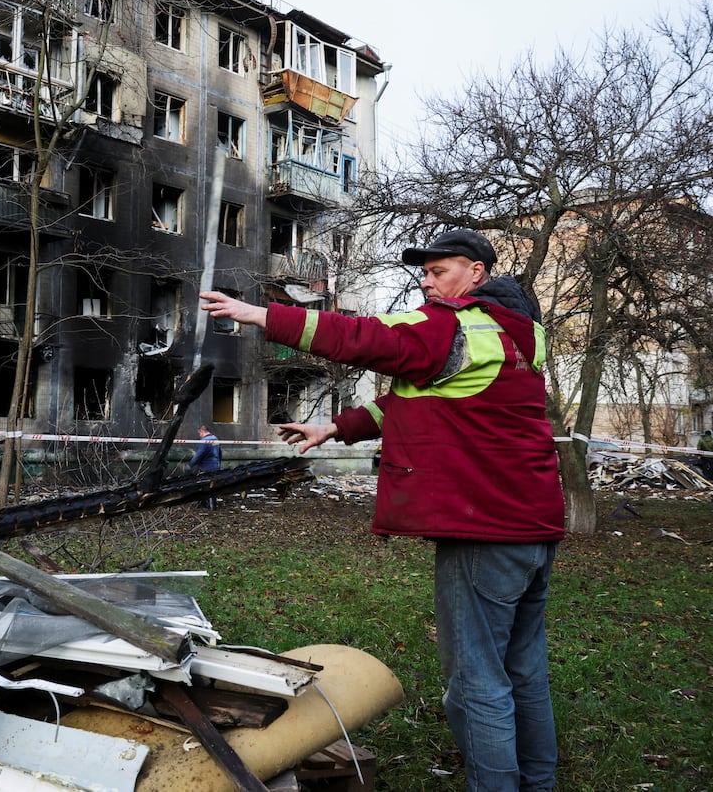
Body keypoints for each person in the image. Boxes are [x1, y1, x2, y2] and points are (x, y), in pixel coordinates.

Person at [201, 228, 565, 792]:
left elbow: (363, 337)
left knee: (476, 681)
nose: (427, 280)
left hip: (482, 530)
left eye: (439, 270)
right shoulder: (519, 334)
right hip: (534, 527)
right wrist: (336, 426)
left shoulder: (450, 325)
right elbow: (419, 397)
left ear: (477, 273)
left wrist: (261, 315)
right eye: (423, 272)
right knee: (524, 671)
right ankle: (538, 782)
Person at [187, 424, 221, 509]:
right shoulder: (215, 439)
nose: (200, 436)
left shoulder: (204, 441)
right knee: (212, 485)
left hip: (206, 466)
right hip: (215, 465)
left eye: (199, 434)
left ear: (202, 431)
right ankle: (212, 505)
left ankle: (206, 505)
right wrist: (218, 463)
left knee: (202, 485)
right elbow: (219, 453)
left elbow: (199, 454)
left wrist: (190, 464)